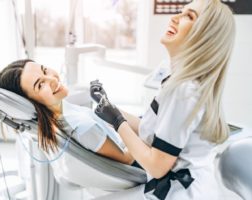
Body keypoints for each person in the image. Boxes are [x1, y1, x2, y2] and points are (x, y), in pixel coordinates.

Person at [91, 0, 235, 199]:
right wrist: (107, 106)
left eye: (189, 16)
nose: (175, 17)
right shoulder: (182, 84)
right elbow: (153, 129)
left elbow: (157, 165)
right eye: (180, 12)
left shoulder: (184, 91)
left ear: (205, 37)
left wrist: (117, 121)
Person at [0, 59, 134, 165]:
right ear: (32, 103)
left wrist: (107, 107)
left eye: (45, 70)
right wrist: (121, 122)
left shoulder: (63, 113)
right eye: (40, 85)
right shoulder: (82, 127)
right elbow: (128, 159)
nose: (52, 79)